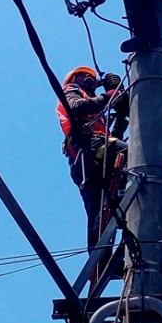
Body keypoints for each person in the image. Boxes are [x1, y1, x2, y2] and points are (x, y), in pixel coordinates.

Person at [56, 66, 130, 252]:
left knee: (98, 209)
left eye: (92, 77)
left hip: (92, 156)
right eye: (85, 76)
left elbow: (112, 136)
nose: (90, 79)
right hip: (88, 151)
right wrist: (109, 97)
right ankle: (126, 186)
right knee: (132, 154)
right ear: (74, 78)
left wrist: (122, 115)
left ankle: (101, 258)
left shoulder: (95, 112)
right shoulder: (71, 91)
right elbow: (76, 107)